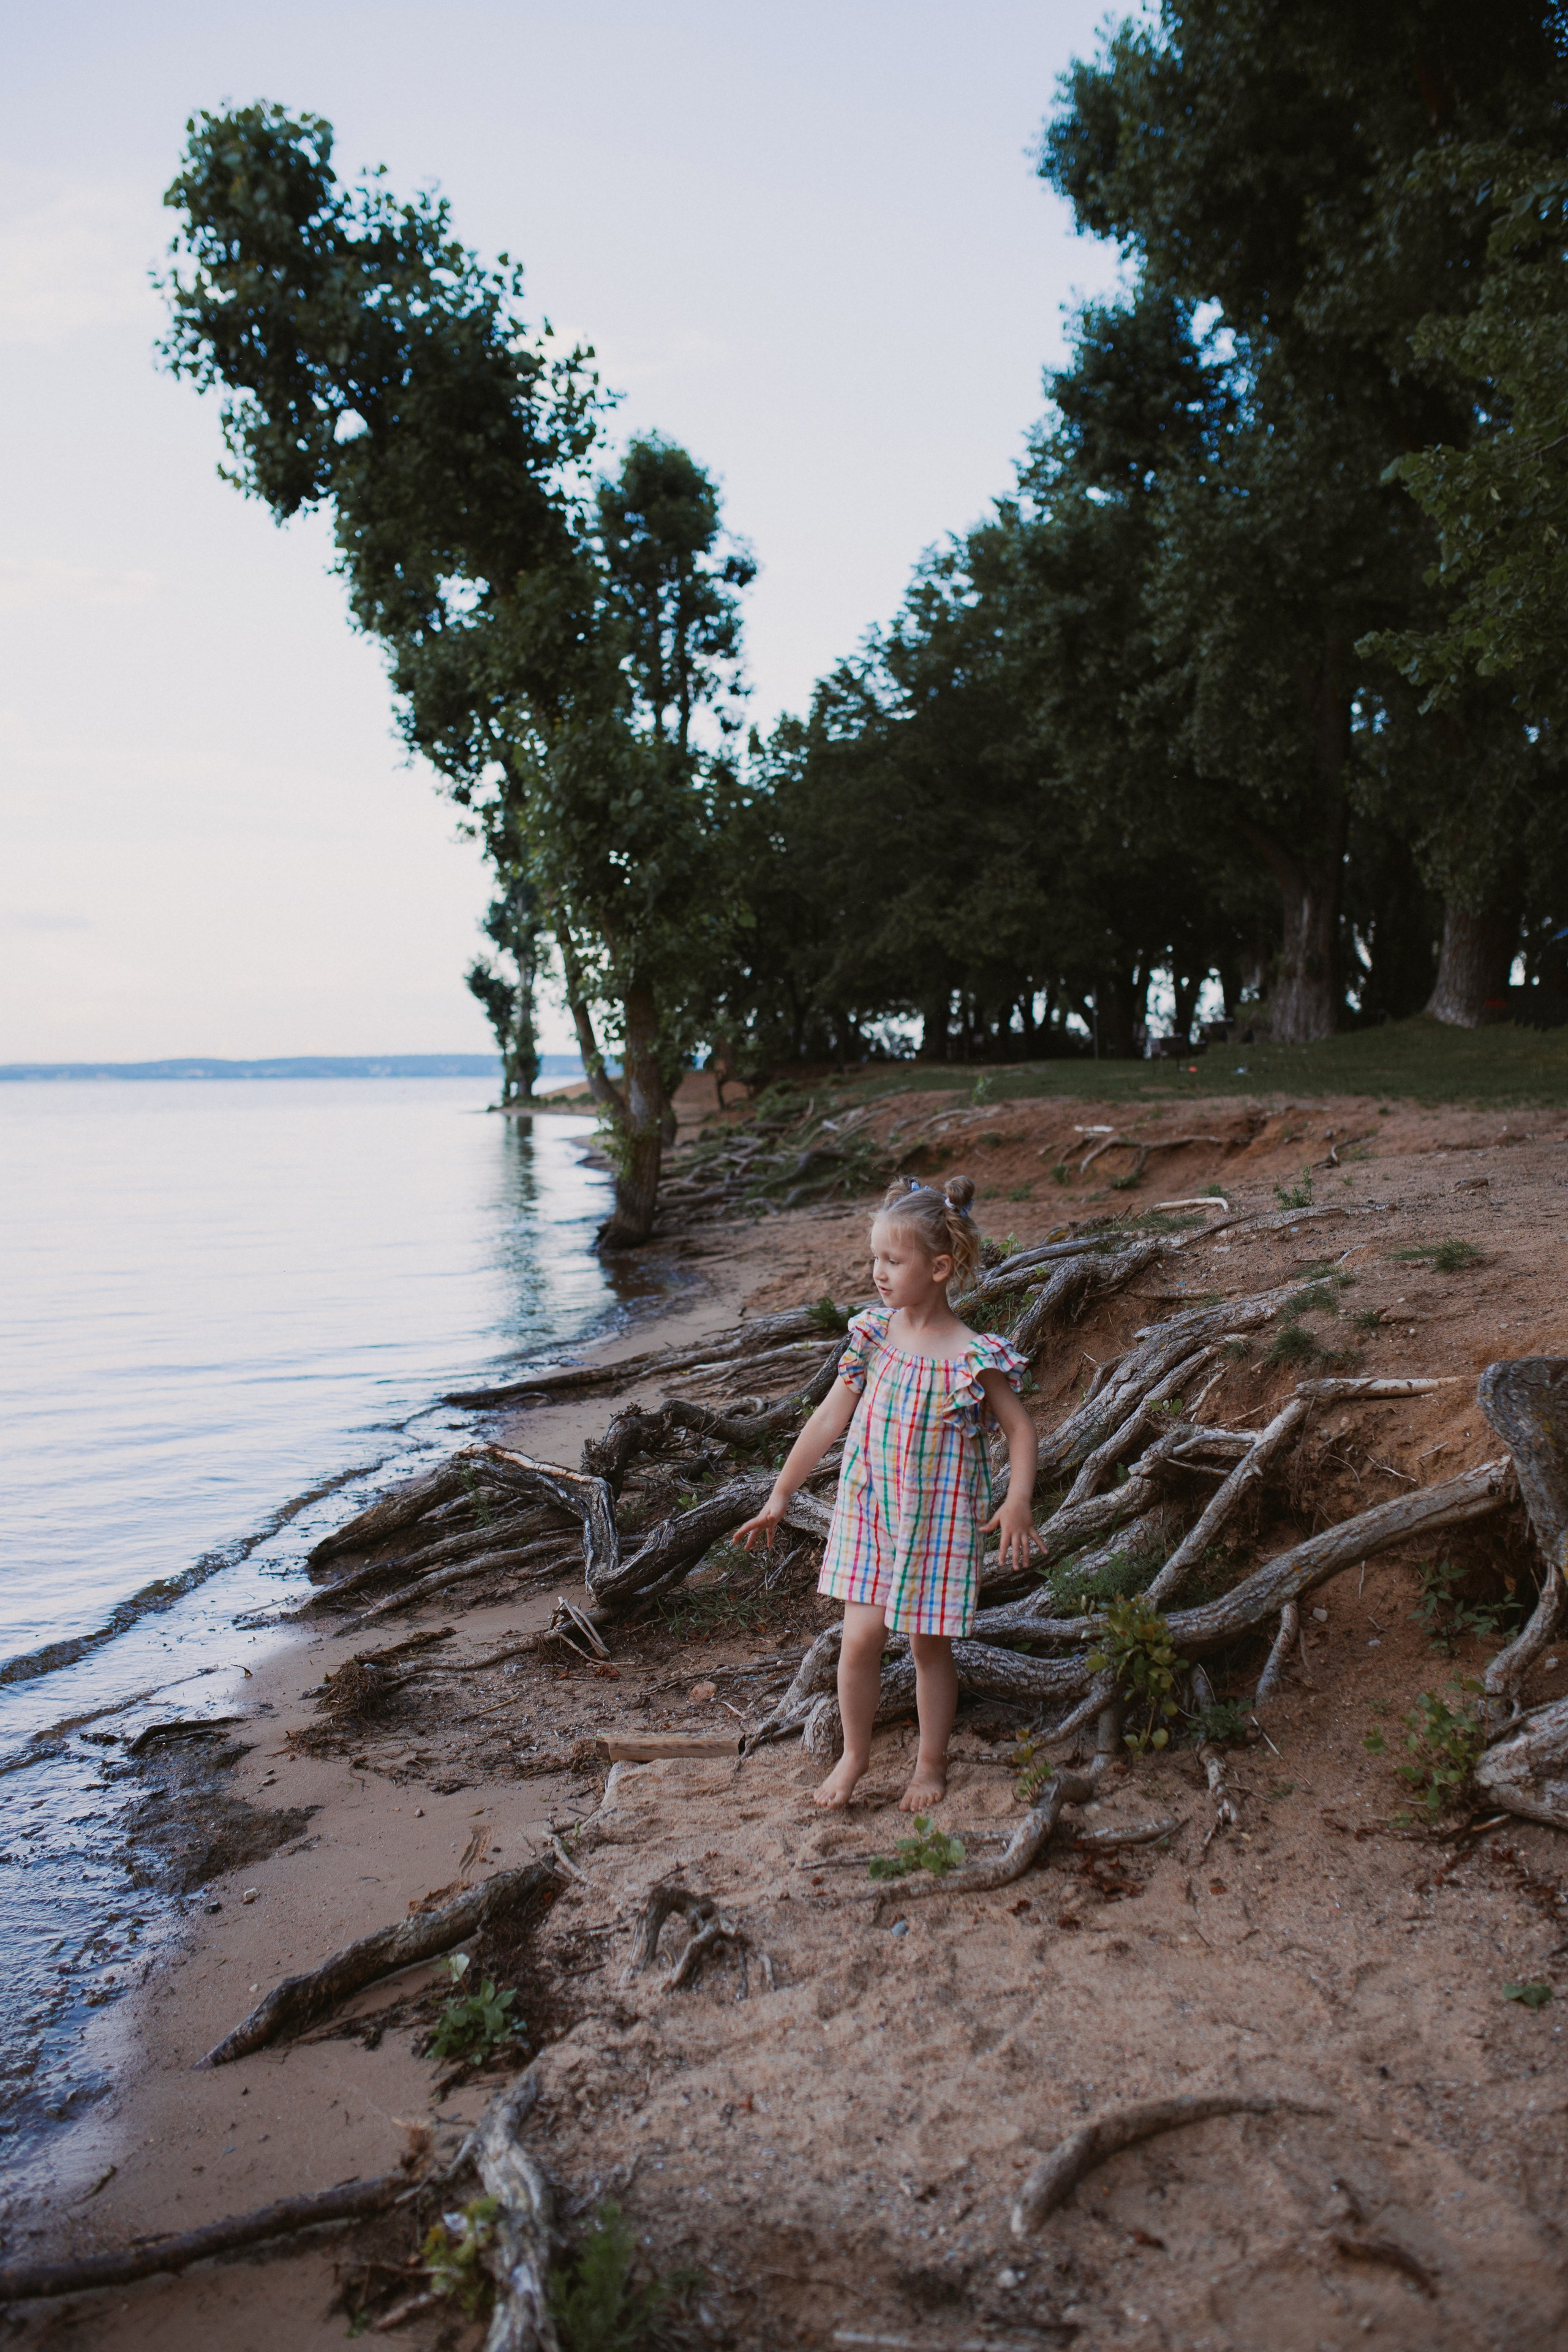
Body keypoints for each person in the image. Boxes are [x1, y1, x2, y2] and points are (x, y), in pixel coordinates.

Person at [733, 1173, 1041, 1810]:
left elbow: (1020, 1430)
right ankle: (854, 1756)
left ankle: (930, 1764)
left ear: (939, 1267)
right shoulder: (873, 1335)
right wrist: (781, 1494)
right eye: (874, 1257)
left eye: (892, 1261)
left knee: (929, 1648)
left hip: (936, 1523)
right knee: (860, 1642)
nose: (878, 1271)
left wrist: (1016, 1500)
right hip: (870, 1512)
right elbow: (826, 1419)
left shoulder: (971, 1357)